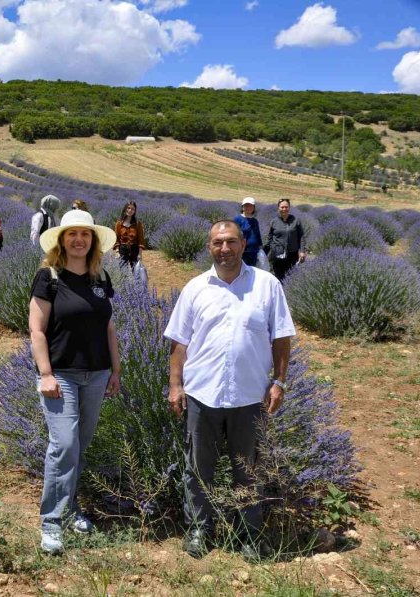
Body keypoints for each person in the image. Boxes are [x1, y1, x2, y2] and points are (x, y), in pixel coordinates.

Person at [164, 220, 295, 563]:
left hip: (249, 396)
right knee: (198, 468)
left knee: (248, 470)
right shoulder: (195, 288)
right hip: (201, 394)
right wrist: (175, 385)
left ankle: (248, 534)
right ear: (209, 247)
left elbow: (281, 338)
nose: (225, 249)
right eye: (218, 243)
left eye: (232, 242)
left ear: (243, 244)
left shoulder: (267, 285)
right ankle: (199, 529)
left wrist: (279, 382)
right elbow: (179, 343)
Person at [29, 209, 121, 555]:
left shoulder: (101, 278)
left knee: (79, 446)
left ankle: (71, 509)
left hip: (97, 374)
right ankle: (51, 522)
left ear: (93, 241)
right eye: (72, 234)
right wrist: (46, 374)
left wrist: (115, 370)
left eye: (85, 234)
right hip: (61, 376)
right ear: (62, 240)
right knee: (64, 445)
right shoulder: (49, 277)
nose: (79, 240)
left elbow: (108, 328)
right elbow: (36, 330)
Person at [263, 198, 306, 280]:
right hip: (277, 254)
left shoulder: (296, 221)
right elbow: (270, 238)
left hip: (292, 254)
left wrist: (302, 251)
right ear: (278, 208)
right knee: (278, 277)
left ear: (289, 208)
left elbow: (301, 237)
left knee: (291, 278)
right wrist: (265, 252)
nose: (284, 209)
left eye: (286, 207)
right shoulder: (274, 222)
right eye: (282, 207)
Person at [113, 201, 146, 271]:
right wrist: (117, 251)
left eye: (133, 209)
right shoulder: (119, 223)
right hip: (122, 249)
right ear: (125, 209)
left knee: (136, 272)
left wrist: (140, 254)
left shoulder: (138, 224)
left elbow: (141, 240)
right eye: (128, 208)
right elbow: (117, 238)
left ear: (135, 211)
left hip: (134, 250)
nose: (130, 210)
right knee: (123, 272)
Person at [234, 197, 262, 267]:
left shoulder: (255, 221)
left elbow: (258, 234)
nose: (248, 207)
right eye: (246, 205)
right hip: (242, 251)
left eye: (250, 206)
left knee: (252, 270)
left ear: (254, 208)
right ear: (242, 207)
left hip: (254, 251)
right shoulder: (237, 219)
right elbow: (234, 234)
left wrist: (260, 246)